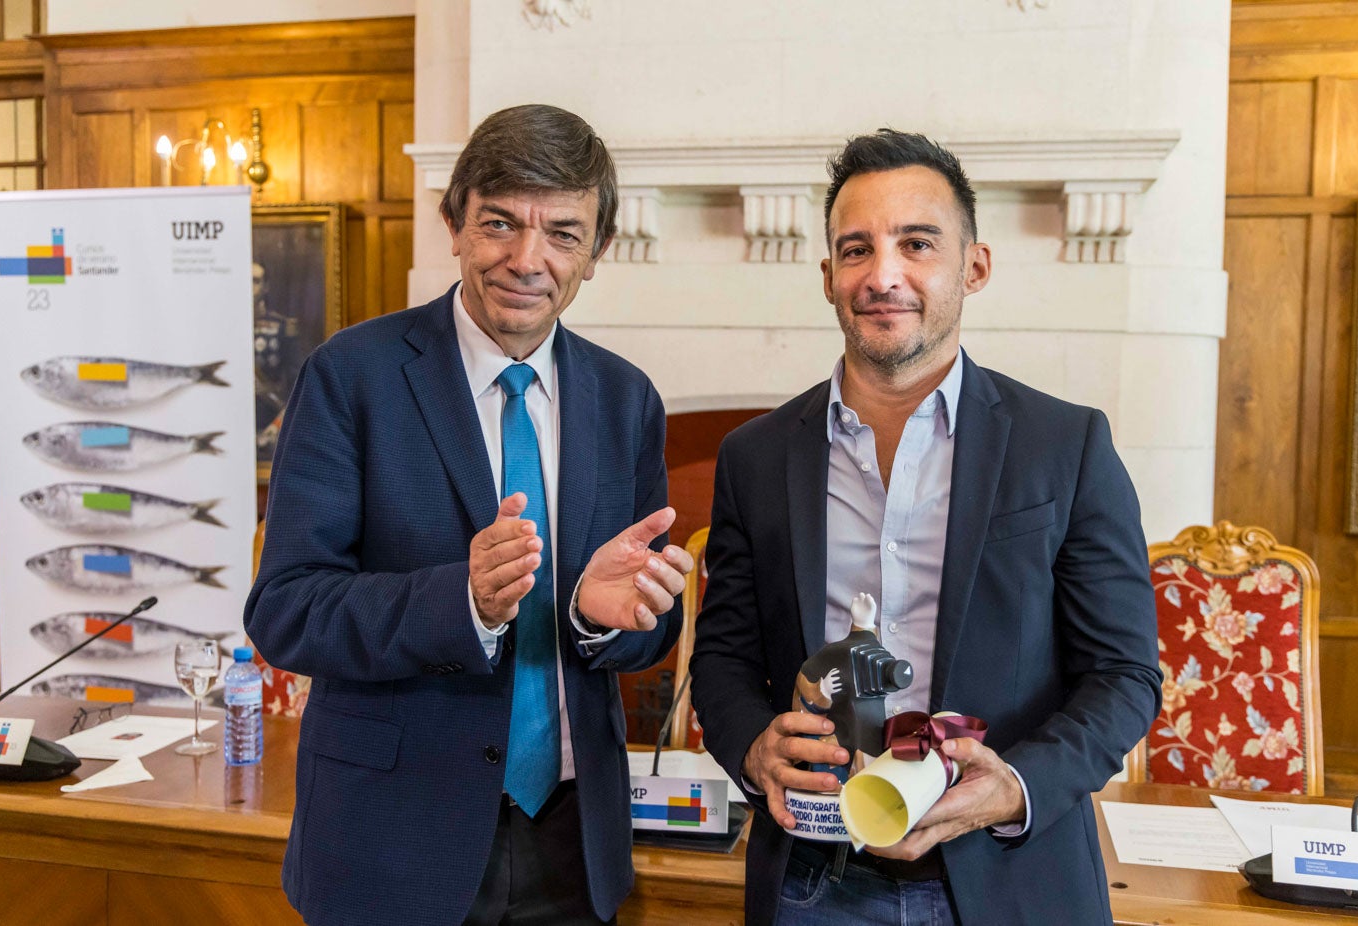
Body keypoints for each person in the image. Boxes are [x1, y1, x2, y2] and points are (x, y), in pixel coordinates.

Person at [689, 130, 1161, 925]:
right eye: (855, 249)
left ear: (972, 267)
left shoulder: (1066, 445)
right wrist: (749, 748)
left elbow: (1123, 676)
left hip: (1009, 878)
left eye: (916, 243)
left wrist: (1013, 786)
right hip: (812, 881)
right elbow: (724, 659)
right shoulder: (754, 457)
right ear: (827, 277)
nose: (882, 275)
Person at [246, 103, 692, 926]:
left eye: (563, 233)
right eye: (499, 223)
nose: (528, 260)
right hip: (388, 841)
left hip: (573, 844)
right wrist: (463, 604)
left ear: (596, 253)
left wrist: (603, 622)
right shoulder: (352, 376)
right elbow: (285, 610)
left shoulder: (626, 400)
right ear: (452, 223)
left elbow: (647, 632)